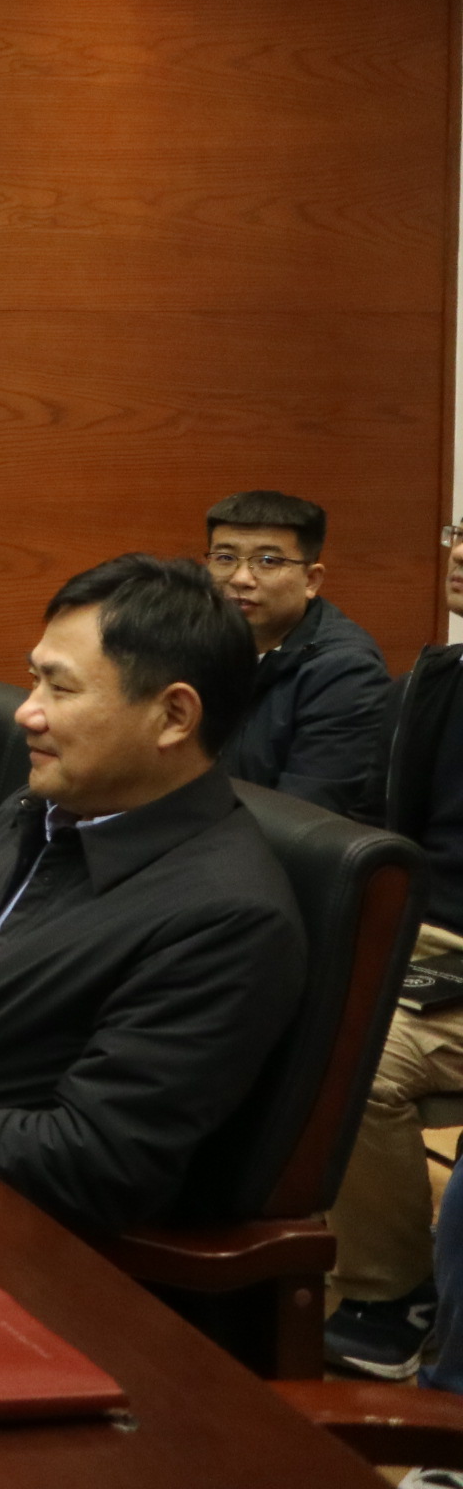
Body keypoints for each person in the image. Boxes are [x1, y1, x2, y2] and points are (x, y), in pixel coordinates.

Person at [0, 555, 307, 1234]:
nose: (27, 712)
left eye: (61, 688)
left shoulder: (226, 918)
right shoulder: (37, 809)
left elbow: (95, 1163)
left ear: (173, 716)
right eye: (33, 678)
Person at [321, 520, 463, 1377]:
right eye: (462, 533)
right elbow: (378, 826)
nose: (462, 554)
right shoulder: (431, 682)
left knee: (362, 1059)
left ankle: (391, 1291)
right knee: (273, 999)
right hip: (424, 937)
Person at [205, 490, 389, 812]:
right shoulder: (195, 641)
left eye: (268, 561)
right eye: (225, 558)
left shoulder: (347, 673)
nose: (241, 578)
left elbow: (301, 816)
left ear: (311, 580)